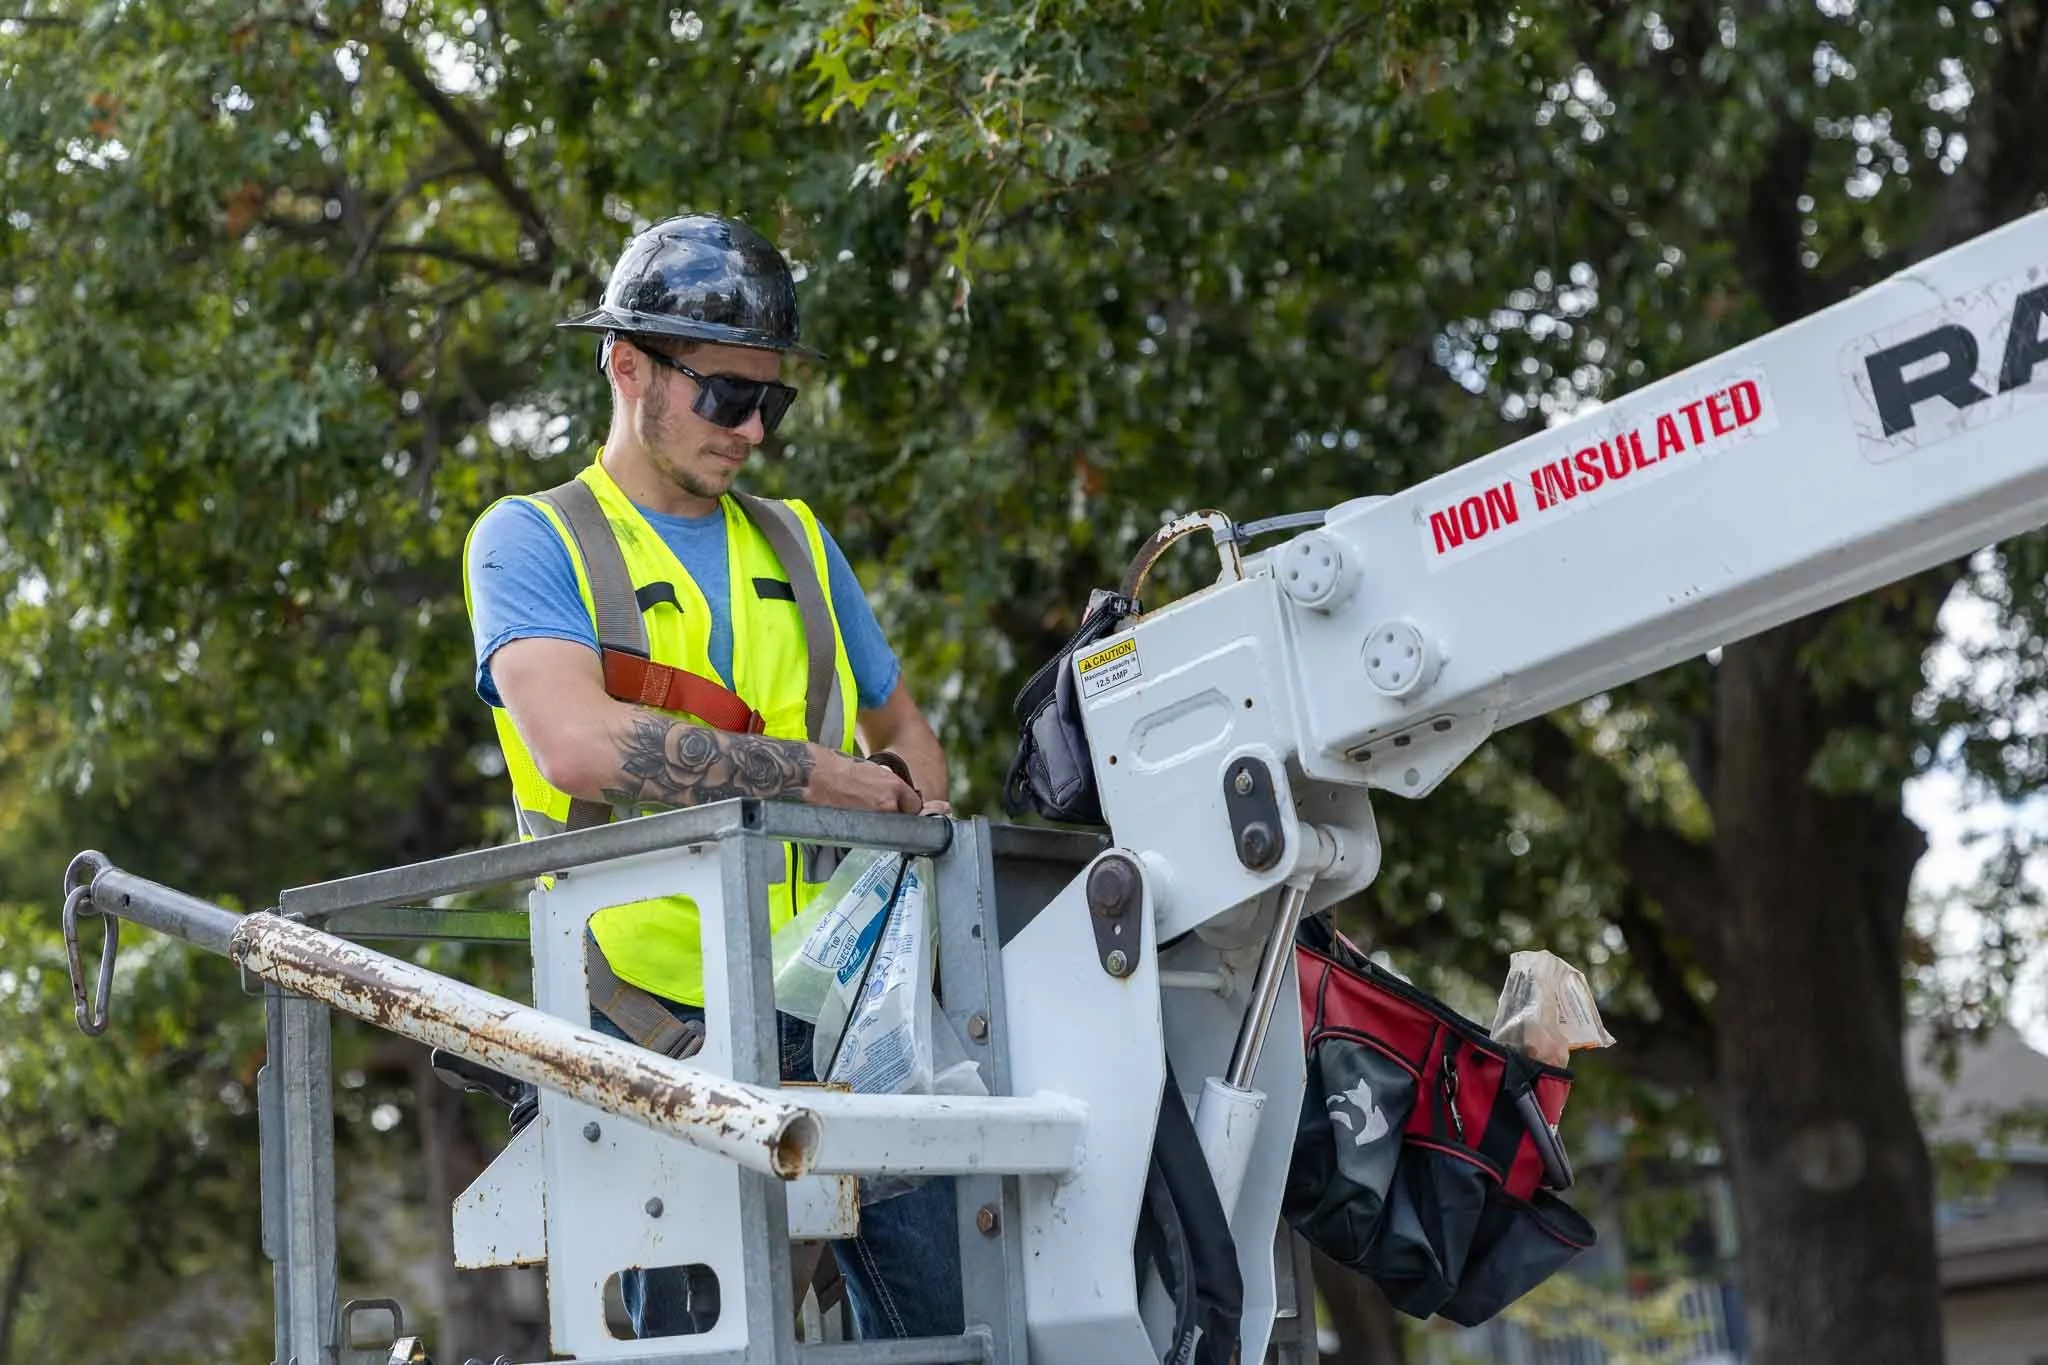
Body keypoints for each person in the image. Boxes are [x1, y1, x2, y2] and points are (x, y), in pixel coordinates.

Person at [460, 212, 963, 1342]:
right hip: (650, 1035)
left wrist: (893, 794)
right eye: (726, 399)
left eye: (770, 402)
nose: (753, 433)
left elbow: (914, 746)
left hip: (833, 1024)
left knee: (953, 1325)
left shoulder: (794, 542)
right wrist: (815, 778)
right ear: (626, 365)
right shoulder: (531, 540)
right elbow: (576, 746)